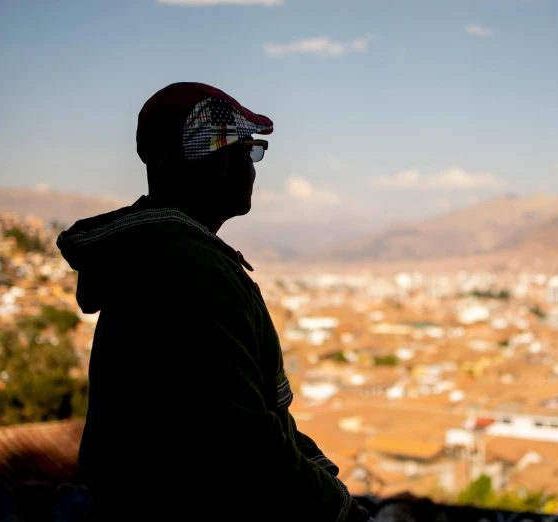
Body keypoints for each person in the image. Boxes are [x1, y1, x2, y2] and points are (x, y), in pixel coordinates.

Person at [57, 82, 372, 522]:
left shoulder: (155, 259)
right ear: (220, 162)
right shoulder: (193, 271)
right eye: (249, 152)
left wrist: (322, 479)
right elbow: (245, 441)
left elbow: (247, 418)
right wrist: (340, 512)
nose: (253, 168)